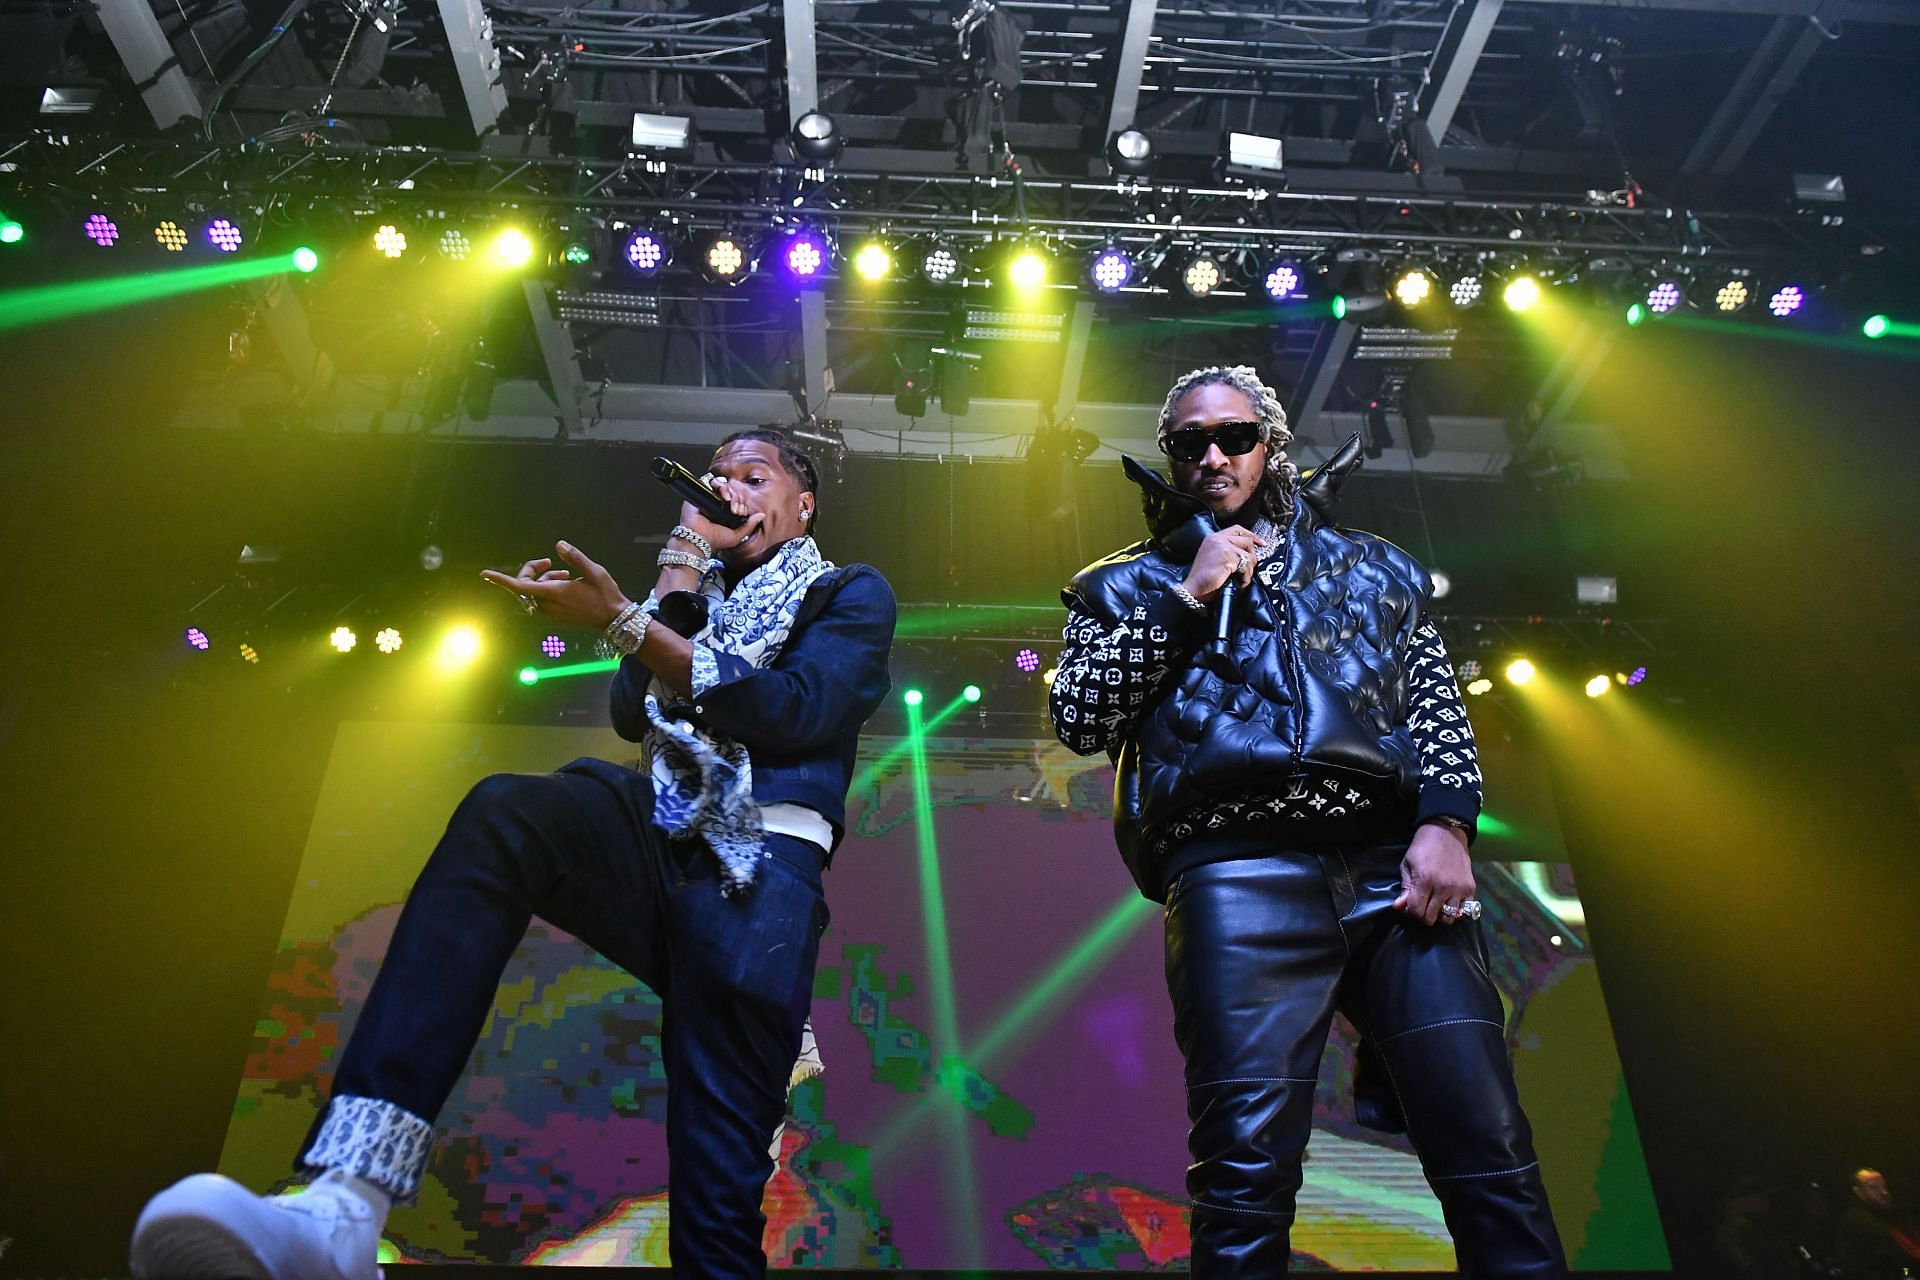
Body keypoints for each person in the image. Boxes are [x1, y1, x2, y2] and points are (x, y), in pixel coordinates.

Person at [130, 429, 896, 1280]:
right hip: (660, 827)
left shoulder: (849, 593)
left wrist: (621, 619)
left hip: (756, 868)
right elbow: (631, 712)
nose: (731, 492)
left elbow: (791, 709)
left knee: (714, 1219)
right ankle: (346, 1205)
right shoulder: (698, 596)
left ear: (805, 502)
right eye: (717, 479)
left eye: (754, 477)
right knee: (508, 812)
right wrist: (676, 574)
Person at [1048, 365, 1567, 1277]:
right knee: (1244, 1174)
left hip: (1391, 867)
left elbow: (1436, 708)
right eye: (1189, 442)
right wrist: (1186, 598)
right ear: (1169, 457)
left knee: (1488, 1148)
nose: (1212, 456)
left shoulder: (1373, 565)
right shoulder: (1124, 585)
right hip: (1237, 876)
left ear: (1270, 443)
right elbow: (1082, 717)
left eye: (1234, 437)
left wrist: (1447, 826)